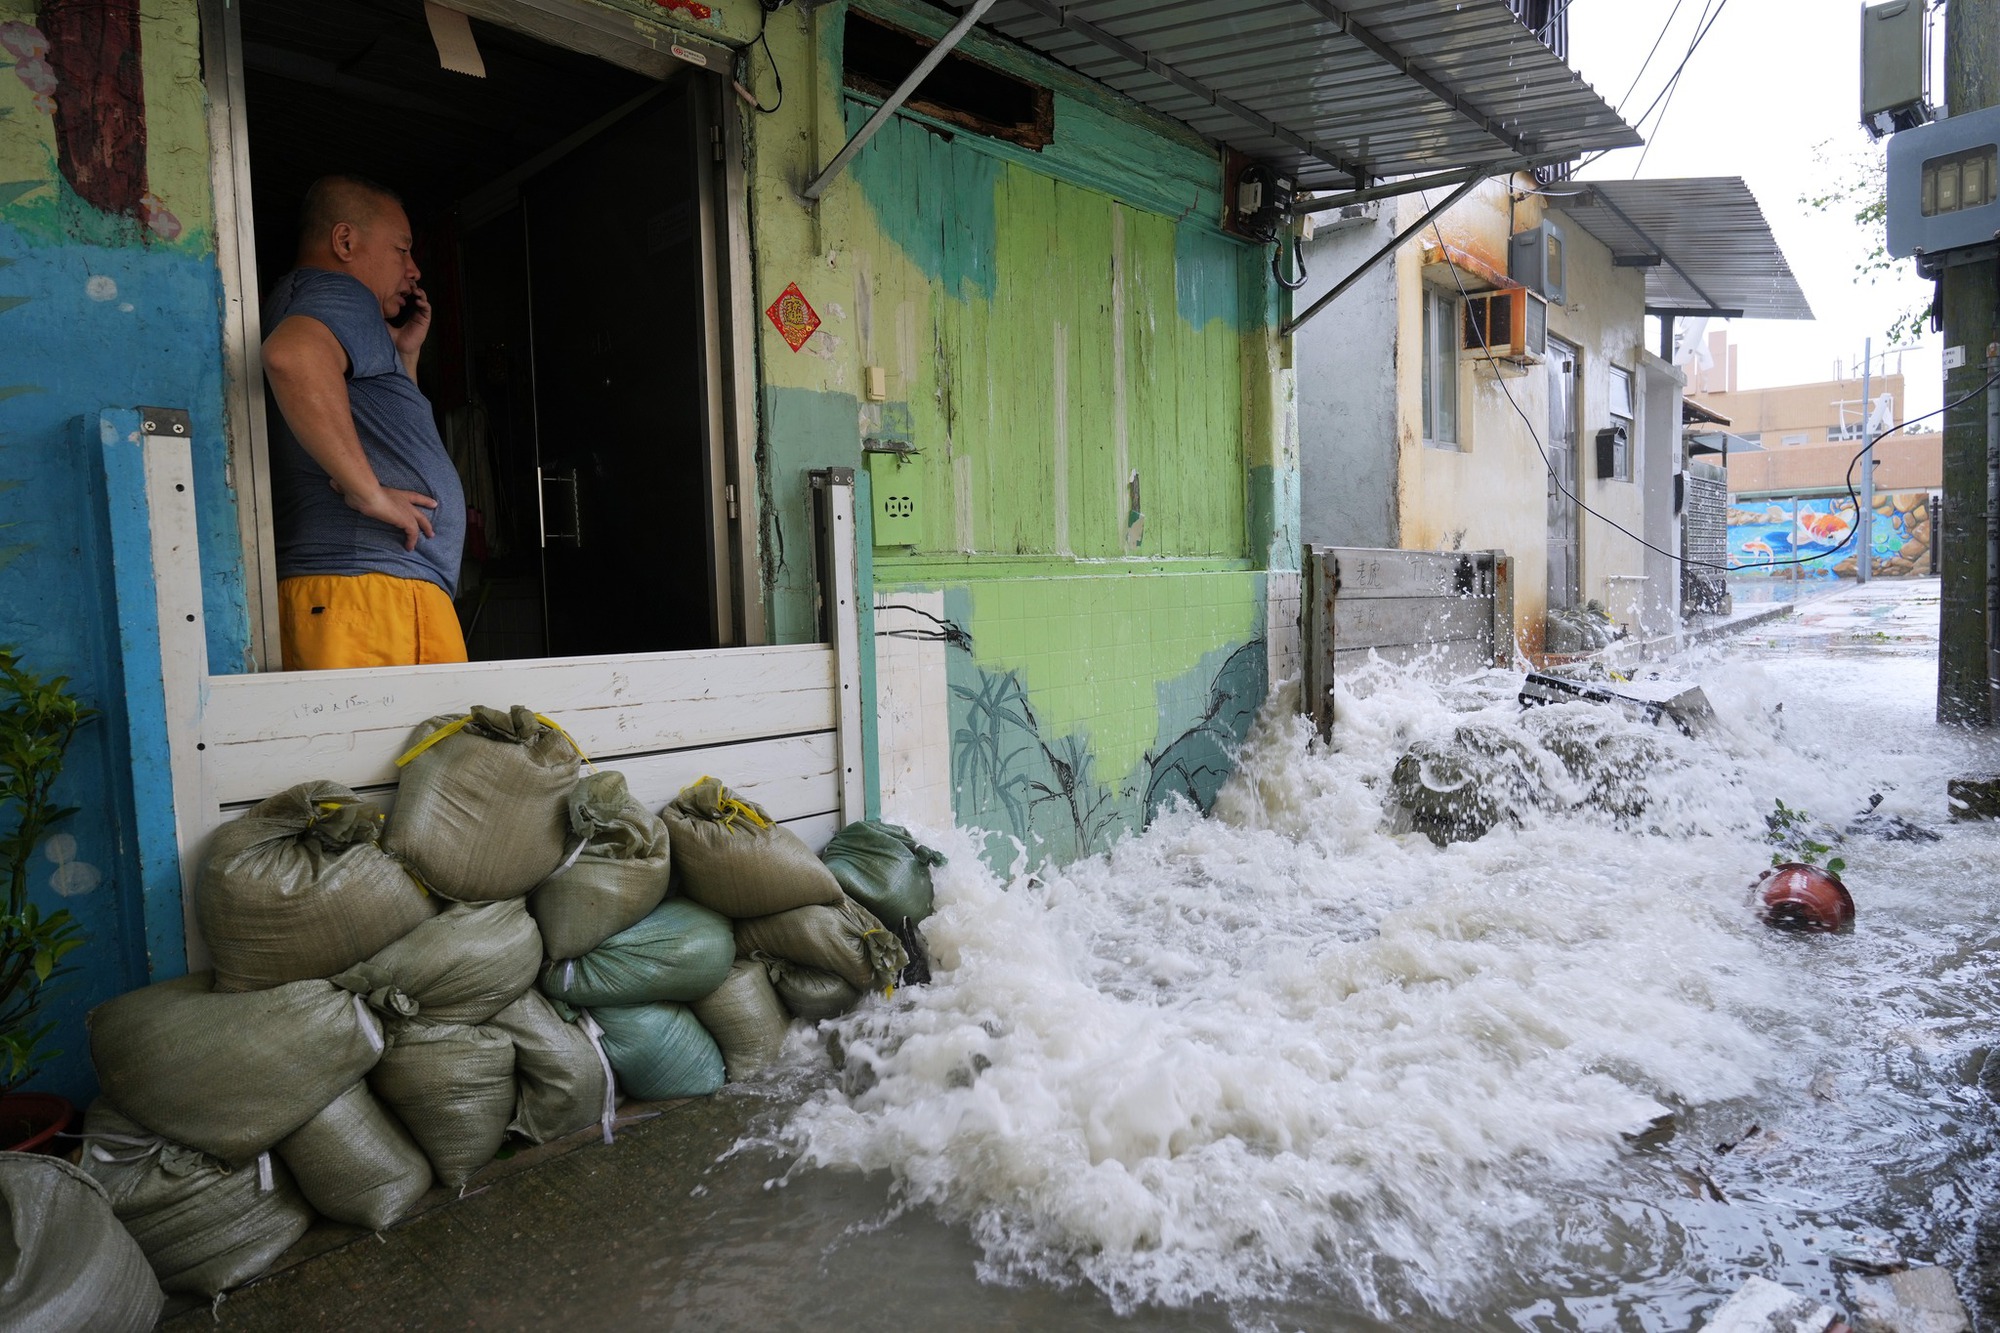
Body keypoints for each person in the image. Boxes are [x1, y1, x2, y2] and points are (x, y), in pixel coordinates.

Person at [261, 175, 467, 670]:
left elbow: (383, 427)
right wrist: (368, 491)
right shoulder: (341, 292)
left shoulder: (321, 304)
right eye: (402, 249)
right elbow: (291, 356)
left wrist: (404, 359)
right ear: (345, 242)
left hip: (365, 594)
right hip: (369, 596)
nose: (414, 270)